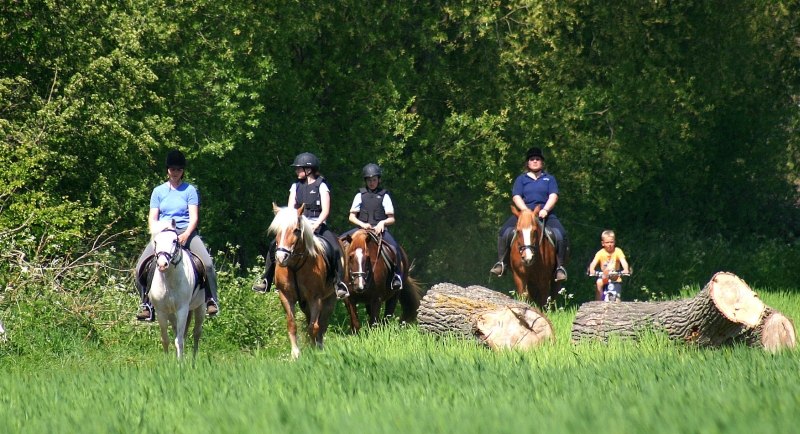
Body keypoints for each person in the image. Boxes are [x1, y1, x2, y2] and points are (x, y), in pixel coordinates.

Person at [134, 149, 219, 321]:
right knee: (139, 268)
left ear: (183, 171)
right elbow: (152, 217)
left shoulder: (190, 190)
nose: (175, 173)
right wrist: (156, 234)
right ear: (167, 170)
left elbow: (194, 217)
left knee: (208, 264)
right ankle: (146, 304)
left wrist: (187, 234)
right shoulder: (158, 192)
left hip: (184, 232)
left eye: (178, 170)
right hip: (163, 234)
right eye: (172, 169)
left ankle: (211, 300)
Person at [252, 152, 350, 299]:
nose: (296, 171)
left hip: (317, 225)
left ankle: (339, 283)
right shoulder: (295, 186)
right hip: (298, 225)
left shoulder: (322, 186)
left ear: (308, 169)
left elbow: (326, 210)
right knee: (274, 245)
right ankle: (266, 279)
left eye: (299, 168)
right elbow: (292, 209)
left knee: (334, 248)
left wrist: (316, 225)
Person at [490, 147, 569, 281]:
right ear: (527, 163)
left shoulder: (549, 179)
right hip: (524, 215)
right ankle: (502, 263)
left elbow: (553, 196)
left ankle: (559, 268)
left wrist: (546, 209)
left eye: (538, 159)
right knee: (504, 232)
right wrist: (525, 211)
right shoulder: (521, 179)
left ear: (542, 162)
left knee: (561, 235)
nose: (535, 161)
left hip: (545, 214)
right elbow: (516, 196)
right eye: (532, 159)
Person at [340, 163, 404, 291]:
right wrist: (362, 224)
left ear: (378, 180)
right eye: (369, 180)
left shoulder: (384, 195)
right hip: (362, 229)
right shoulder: (360, 195)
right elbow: (351, 216)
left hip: (380, 230)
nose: (372, 183)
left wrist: (382, 223)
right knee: (340, 241)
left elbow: (391, 218)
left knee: (394, 248)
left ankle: (397, 276)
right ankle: (340, 280)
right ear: (365, 181)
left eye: (374, 180)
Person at [587, 230, 630, 301]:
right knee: (599, 282)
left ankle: (617, 303)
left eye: (611, 242)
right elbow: (593, 263)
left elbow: (623, 261)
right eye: (607, 242)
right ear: (603, 243)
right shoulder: (600, 253)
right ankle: (598, 303)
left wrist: (625, 269)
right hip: (604, 277)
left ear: (614, 242)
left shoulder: (618, 251)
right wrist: (592, 270)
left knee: (617, 298)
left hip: (615, 277)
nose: (609, 244)